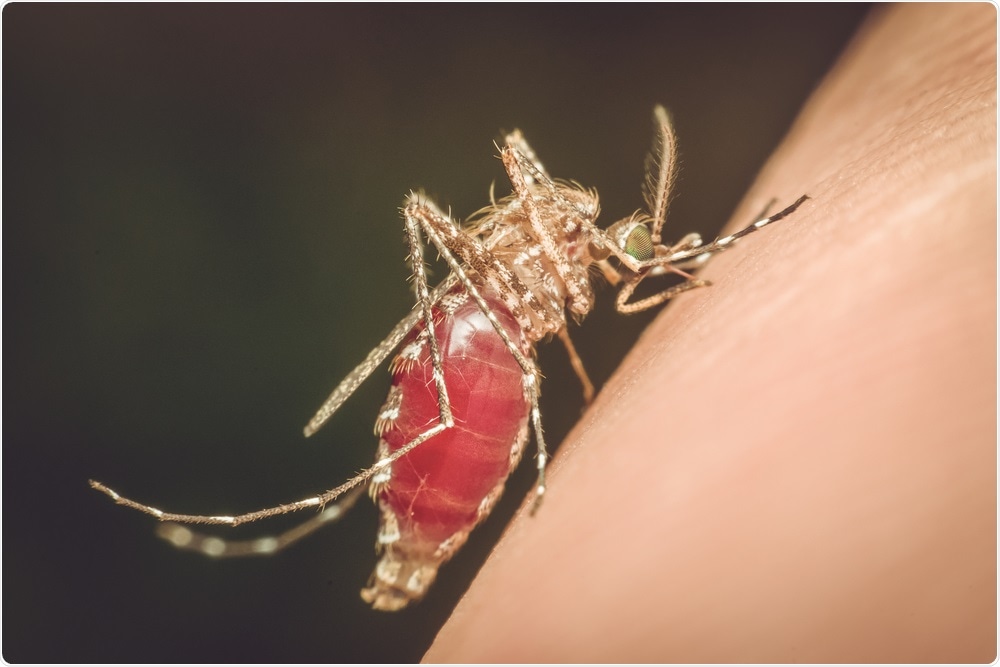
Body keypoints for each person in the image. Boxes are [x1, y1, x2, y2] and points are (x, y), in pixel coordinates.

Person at [426, 4, 996, 661]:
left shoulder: (601, 264)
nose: (653, 256)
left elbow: (618, 294)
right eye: (649, 251)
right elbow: (607, 294)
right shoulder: (574, 246)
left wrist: (679, 274)